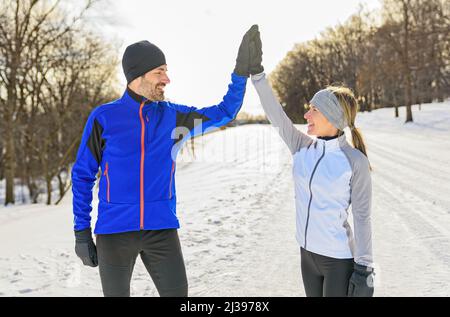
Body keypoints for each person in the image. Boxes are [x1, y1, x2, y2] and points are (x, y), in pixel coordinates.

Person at [71, 25, 262, 297]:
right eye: (159, 72)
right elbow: (82, 176)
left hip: (161, 229)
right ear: (137, 75)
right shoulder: (104, 118)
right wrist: (81, 231)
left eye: (166, 71)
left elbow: (224, 112)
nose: (167, 79)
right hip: (114, 233)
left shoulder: (173, 118)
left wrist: (240, 73)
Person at [249, 28, 374, 297]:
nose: (306, 114)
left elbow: (362, 217)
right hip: (307, 256)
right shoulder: (302, 146)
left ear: (332, 116)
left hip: (338, 261)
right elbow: (276, 116)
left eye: (313, 110)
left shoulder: (355, 162)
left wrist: (364, 267)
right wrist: (258, 75)